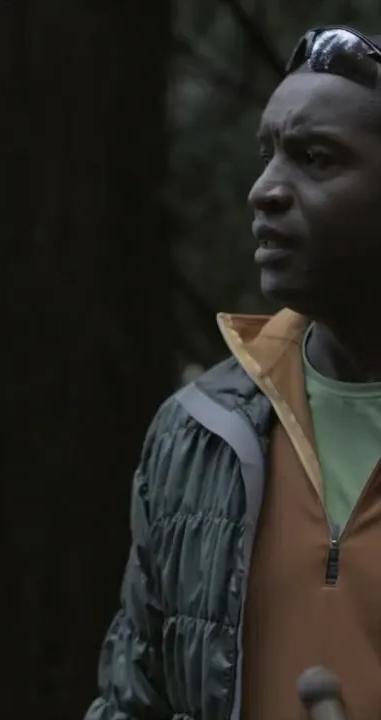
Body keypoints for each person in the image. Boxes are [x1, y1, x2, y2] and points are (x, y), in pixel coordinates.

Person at [86, 25, 381, 720]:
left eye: (315, 158)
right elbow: (135, 701)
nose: (265, 190)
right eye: (267, 155)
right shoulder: (201, 434)